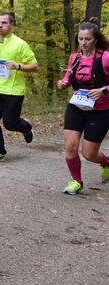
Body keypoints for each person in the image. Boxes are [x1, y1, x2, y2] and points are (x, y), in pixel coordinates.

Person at [56, 19, 109, 195]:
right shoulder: (75, 57)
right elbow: (69, 75)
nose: (83, 43)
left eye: (88, 39)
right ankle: (76, 182)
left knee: (89, 154)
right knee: (70, 146)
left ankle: (106, 163)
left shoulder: (106, 57)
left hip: (100, 110)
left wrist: (103, 90)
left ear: (96, 39)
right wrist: (63, 82)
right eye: (80, 39)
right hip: (77, 106)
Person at [0, 12, 38, 162]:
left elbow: (34, 66)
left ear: (12, 25)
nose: (0, 25)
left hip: (13, 90)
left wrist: (17, 66)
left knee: (10, 123)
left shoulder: (20, 44)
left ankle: (26, 127)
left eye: (4, 23)